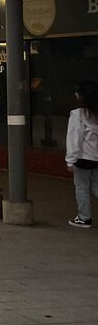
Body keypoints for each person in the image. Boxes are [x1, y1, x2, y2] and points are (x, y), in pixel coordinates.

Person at [66, 80, 98, 228]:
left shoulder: (78, 114)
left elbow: (74, 138)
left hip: (83, 158)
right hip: (96, 158)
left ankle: (84, 218)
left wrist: (70, 160)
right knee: (96, 187)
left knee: (82, 188)